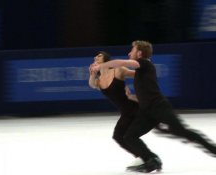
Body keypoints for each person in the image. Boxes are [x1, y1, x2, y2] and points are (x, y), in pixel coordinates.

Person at [91, 41, 216, 173]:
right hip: (147, 112)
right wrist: (131, 97)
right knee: (129, 136)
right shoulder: (140, 71)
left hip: (159, 107)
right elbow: (144, 92)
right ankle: (151, 160)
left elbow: (122, 63)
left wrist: (101, 66)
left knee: (184, 132)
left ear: (139, 53)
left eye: (132, 50)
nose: (129, 53)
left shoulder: (145, 63)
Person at [89, 51, 147, 169]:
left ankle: (147, 158)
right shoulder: (99, 80)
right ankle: (140, 157)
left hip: (134, 109)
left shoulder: (118, 70)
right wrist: (92, 74)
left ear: (106, 58)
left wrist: (137, 93)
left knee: (129, 137)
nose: (96, 57)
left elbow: (138, 75)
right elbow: (92, 84)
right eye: (95, 56)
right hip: (126, 113)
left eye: (99, 56)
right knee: (118, 136)